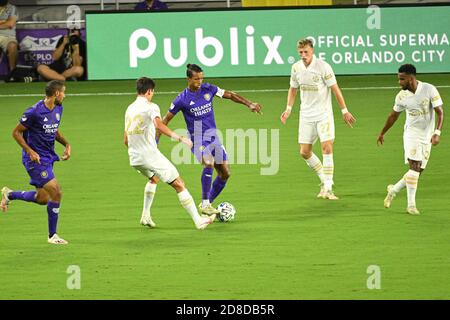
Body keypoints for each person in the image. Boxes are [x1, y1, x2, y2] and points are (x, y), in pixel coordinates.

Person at [158, 63, 262, 216]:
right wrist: (155, 141)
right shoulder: (181, 99)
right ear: (188, 79)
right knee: (208, 162)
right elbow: (164, 121)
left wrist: (249, 104)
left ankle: (206, 204)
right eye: (196, 79)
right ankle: (205, 203)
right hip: (198, 139)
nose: (199, 82)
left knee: (225, 173)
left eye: (201, 78)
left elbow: (231, 95)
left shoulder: (208, 89)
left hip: (214, 138)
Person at [125, 77, 215, 230]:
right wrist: (179, 138)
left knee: (153, 179)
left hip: (134, 157)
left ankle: (145, 216)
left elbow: (126, 139)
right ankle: (198, 221)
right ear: (149, 91)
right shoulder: (151, 107)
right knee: (179, 184)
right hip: (150, 155)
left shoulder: (130, 109)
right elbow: (159, 124)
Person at [280, 38, 356, 200]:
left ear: (312, 51)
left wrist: (344, 111)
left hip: (323, 114)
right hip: (306, 115)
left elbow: (335, 89)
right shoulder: (296, 68)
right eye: (300, 52)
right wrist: (288, 109)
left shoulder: (323, 67)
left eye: (306, 52)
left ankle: (328, 187)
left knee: (327, 148)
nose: (303, 55)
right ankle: (324, 180)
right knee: (304, 152)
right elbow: (293, 89)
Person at [1, 80, 71, 245]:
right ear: (56, 94)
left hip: (48, 157)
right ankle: (52, 235)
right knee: (57, 192)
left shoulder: (58, 108)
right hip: (35, 160)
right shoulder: (34, 112)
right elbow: (16, 132)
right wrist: (30, 151)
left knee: (42, 199)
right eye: (63, 92)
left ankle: (9, 194)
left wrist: (67, 144)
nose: (65, 95)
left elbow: (54, 129)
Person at [377, 64, 444, 215]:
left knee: (418, 171)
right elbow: (393, 115)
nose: (399, 82)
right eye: (398, 79)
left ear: (411, 78)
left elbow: (440, 112)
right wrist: (382, 133)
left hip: (427, 136)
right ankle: (411, 205)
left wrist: (437, 132)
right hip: (411, 135)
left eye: (402, 79)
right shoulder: (401, 96)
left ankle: (393, 190)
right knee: (414, 167)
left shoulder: (429, 89)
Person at [0, 0, 18, 74]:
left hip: (7, 37)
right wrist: (4, 21)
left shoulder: (12, 8)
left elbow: (10, 24)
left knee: (12, 45)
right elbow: (7, 23)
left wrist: (7, 22)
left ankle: (12, 73)